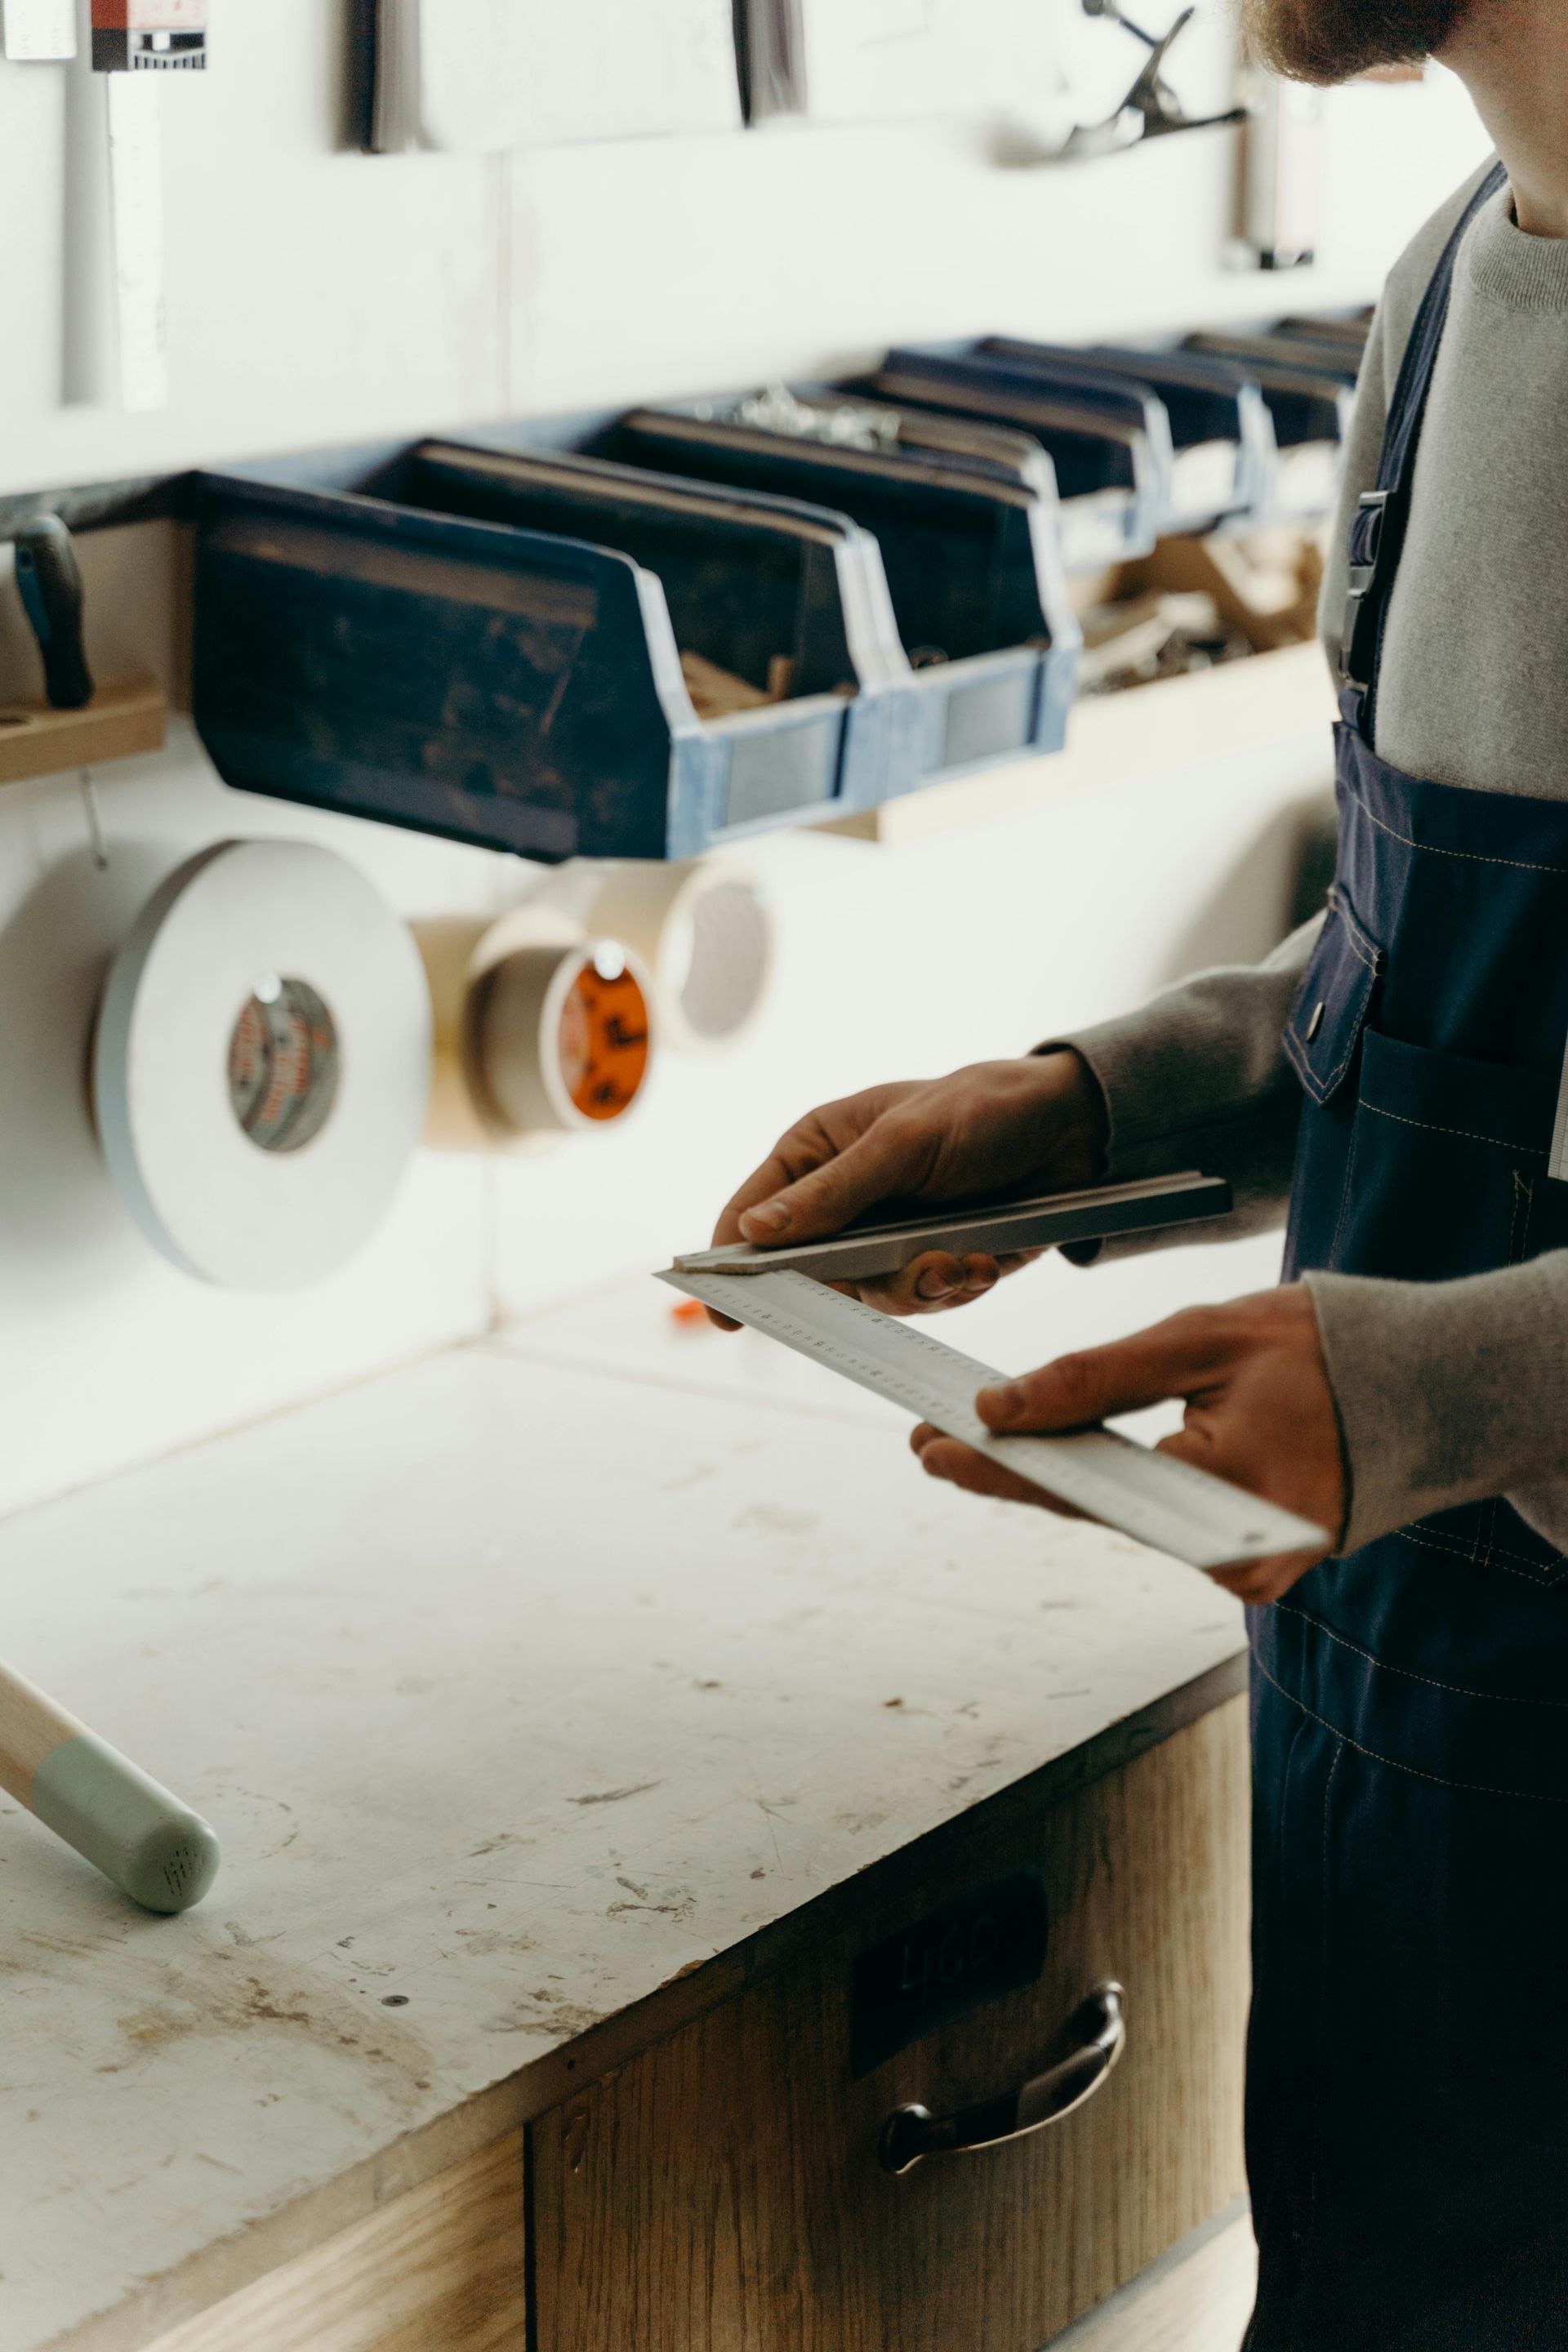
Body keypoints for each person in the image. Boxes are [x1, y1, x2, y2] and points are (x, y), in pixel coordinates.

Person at [709, 2, 1568, 2341]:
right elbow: (1435, 999)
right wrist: (1088, 1112)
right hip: (1409, 1781)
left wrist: (1434, 1395)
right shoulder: (1452, 293)